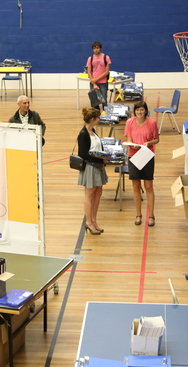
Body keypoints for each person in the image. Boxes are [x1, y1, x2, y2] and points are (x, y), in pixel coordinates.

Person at [124, 101, 160, 227]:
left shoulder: (152, 123)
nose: (139, 112)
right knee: (135, 186)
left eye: (142, 110)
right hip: (133, 156)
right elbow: (128, 137)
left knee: (148, 186)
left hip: (146, 155)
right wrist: (131, 143)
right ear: (134, 111)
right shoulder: (129, 122)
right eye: (137, 110)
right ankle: (138, 214)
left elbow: (156, 139)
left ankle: (151, 215)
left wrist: (148, 143)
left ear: (145, 111)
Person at [77, 107, 108, 235]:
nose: (99, 120)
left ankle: (94, 220)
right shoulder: (83, 134)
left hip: (98, 166)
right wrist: (101, 157)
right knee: (89, 195)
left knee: (98, 193)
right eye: (97, 118)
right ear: (92, 119)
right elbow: (83, 154)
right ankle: (88, 222)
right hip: (90, 167)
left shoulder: (93, 131)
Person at [86, 41, 112, 109]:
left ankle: (105, 116)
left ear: (100, 48)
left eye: (97, 48)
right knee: (94, 101)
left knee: (104, 100)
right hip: (93, 83)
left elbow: (106, 72)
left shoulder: (106, 57)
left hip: (103, 83)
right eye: (94, 48)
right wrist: (93, 82)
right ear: (92, 49)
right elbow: (89, 71)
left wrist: (96, 79)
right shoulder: (90, 58)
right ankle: (96, 116)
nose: (96, 49)